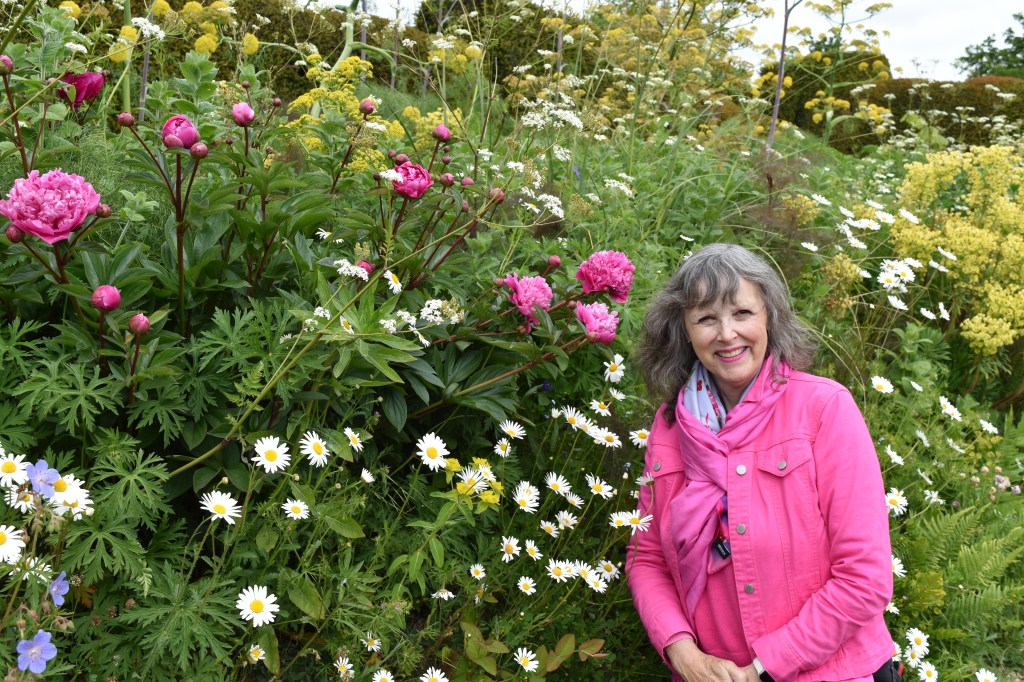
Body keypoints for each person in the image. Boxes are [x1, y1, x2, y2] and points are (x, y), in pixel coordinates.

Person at [627, 244, 895, 682]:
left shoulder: (823, 408)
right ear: (684, 330)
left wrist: (763, 668)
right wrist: (684, 654)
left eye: (742, 313)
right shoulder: (671, 425)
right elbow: (648, 558)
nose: (727, 334)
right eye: (706, 318)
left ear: (770, 315)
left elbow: (864, 577)